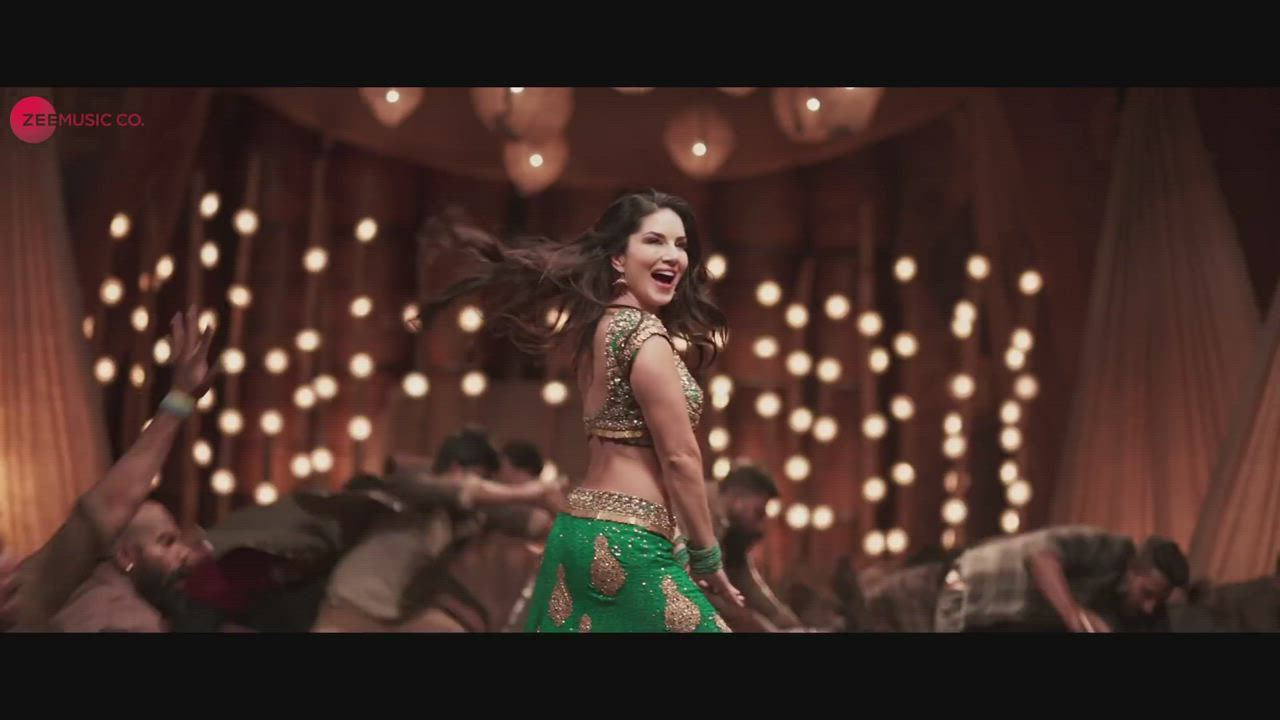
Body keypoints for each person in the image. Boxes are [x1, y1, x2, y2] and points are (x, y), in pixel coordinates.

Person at [418, 189, 744, 632]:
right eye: (654, 240)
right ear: (617, 259)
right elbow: (679, 457)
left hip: (579, 530)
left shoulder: (598, 331)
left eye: (681, 245)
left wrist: (678, 541)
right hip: (628, 541)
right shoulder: (646, 338)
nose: (673, 256)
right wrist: (708, 556)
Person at [2, 308, 216, 632]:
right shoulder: (118, 617)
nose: (11, 562)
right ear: (126, 556)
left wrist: (181, 399)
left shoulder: (22, 598)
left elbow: (103, 511)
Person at [934, 525, 1190, 632]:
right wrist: (1074, 614)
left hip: (988, 620)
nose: (1149, 607)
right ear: (1133, 569)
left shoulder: (1137, 613)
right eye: (1147, 593)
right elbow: (1041, 558)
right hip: (964, 588)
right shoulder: (1107, 547)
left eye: (1158, 601)